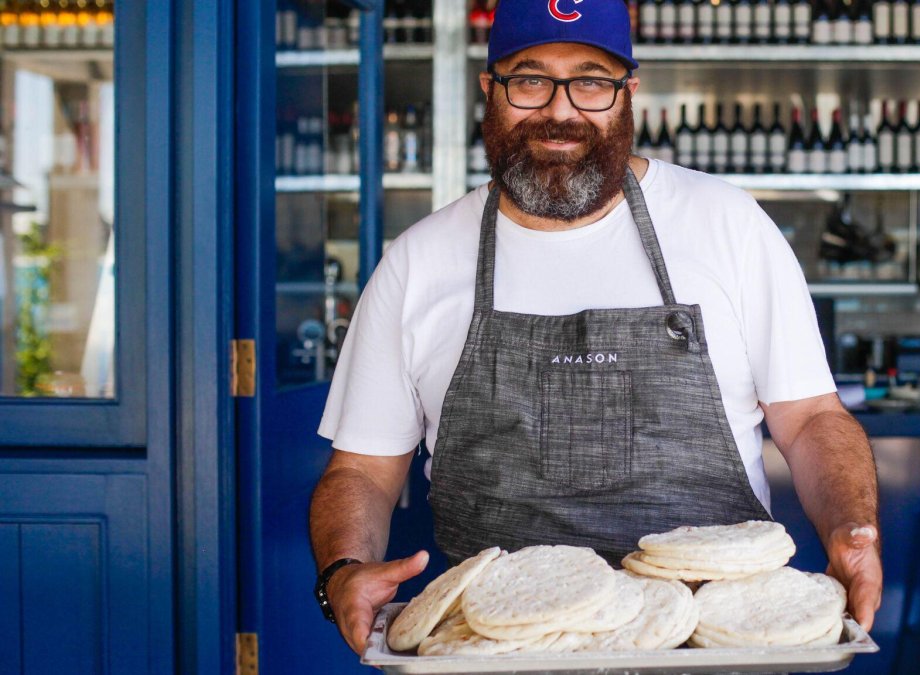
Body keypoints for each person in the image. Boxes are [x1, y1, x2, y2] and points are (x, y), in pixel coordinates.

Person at [309, 0, 882, 656]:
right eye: (530, 79)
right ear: (490, 90)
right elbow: (362, 468)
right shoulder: (419, 261)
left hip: (712, 651)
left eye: (591, 80)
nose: (561, 110)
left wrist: (853, 528)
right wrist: (343, 569)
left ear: (629, 94)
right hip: (498, 653)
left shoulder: (728, 227)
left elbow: (810, 418)